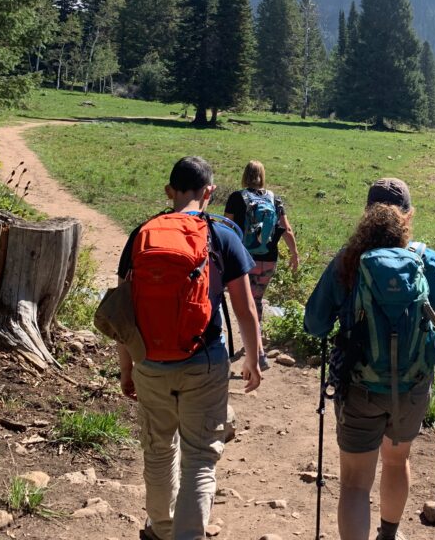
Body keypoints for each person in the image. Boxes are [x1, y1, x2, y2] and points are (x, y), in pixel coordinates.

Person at [304, 178, 435, 540]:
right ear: (409, 216)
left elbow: (314, 324)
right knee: (398, 462)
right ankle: (389, 535)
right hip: (412, 386)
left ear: (367, 215)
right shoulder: (428, 260)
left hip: (360, 387)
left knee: (353, 483)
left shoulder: (347, 261)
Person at [117, 156, 263, 540]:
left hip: (149, 360)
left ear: (169, 191)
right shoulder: (223, 236)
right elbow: (245, 309)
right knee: (199, 459)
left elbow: (122, 309)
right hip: (205, 360)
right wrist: (253, 358)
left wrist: (127, 367)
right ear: (209, 193)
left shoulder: (141, 234)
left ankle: (160, 530)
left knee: (158, 449)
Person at [224, 160, 299, 370]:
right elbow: (287, 229)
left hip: (243, 259)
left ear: (245, 175)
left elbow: (226, 227)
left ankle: (257, 353)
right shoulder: (275, 199)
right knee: (256, 301)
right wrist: (294, 254)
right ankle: (255, 347)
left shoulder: (236, 198)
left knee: (247, 305)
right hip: (268, 259)